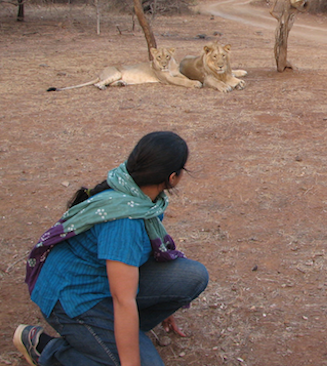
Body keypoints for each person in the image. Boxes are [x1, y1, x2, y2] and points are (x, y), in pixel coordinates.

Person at [13, 131, 209, 366]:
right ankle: (47, 348)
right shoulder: (124, 221)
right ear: (172, 177)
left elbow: (138, 261)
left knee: (193, 277)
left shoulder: (136, 193)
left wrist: (165, 306)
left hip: (101, 280)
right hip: (73, 298)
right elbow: (122, 300)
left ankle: (108, 338)